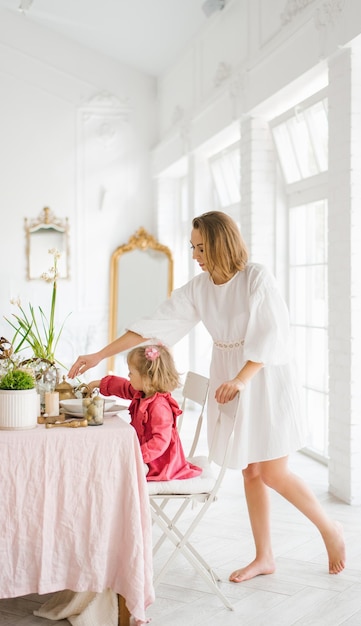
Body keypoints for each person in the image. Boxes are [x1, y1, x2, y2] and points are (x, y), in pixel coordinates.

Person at [69, 210, 345, 581]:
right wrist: (99, 355)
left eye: (202, 247)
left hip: (262, 376)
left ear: (221, 243)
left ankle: (330, 529)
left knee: (274, 471)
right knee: (250, 471)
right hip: (228, 377)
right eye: (193, 247)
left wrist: (243, 380)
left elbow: (271, 333)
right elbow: (153, 325)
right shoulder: (200, 288)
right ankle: (264, 556)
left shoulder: (255, 278)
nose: (195, 255)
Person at [86, 343, 202, 481]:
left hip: (159, 463)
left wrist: (136, 455)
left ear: (146, 378)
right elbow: (123, 387)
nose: (128, 376)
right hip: (144, 456)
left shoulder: (159, 406)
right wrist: (98, 383)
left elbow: (160, 441)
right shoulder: (143, 392)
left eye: (131, 373)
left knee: (112, 471)